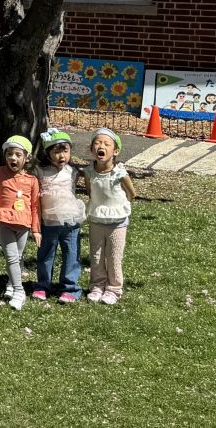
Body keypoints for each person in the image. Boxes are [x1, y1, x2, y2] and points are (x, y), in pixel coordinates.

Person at [0, 135, 40, 311]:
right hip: (4, 222)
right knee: (12, 257)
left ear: (27, 158)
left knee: (18, 257)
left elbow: (35, 206)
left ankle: (11, 283)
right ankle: (19, 291)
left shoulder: (32, 180)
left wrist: (36, 230)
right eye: (9, 154)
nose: (13, 158)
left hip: (23, 224)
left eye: (18, 154)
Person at [82, 128, 136, 305]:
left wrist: (120, 206)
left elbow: (131, 193)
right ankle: (97, 286)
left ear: (115, 151)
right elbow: (90, 192)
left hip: (117, 222)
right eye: (97, 143)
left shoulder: (119, 173)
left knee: (113, 257)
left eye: (106, 144)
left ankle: (114, 289)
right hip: (97, 219)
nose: (101, 146)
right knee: (96, 256)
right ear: (91, 149)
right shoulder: (89, 172)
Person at [34, 129, 85, 303]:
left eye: (65, 151)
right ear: (47, 153)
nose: (61, 156)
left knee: (71, 254)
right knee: (46, 255)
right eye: (56, 151)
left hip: (70, 221)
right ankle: (43, 285)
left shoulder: (73, 171)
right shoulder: (40, 171)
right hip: (48, 221)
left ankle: (70, 288)